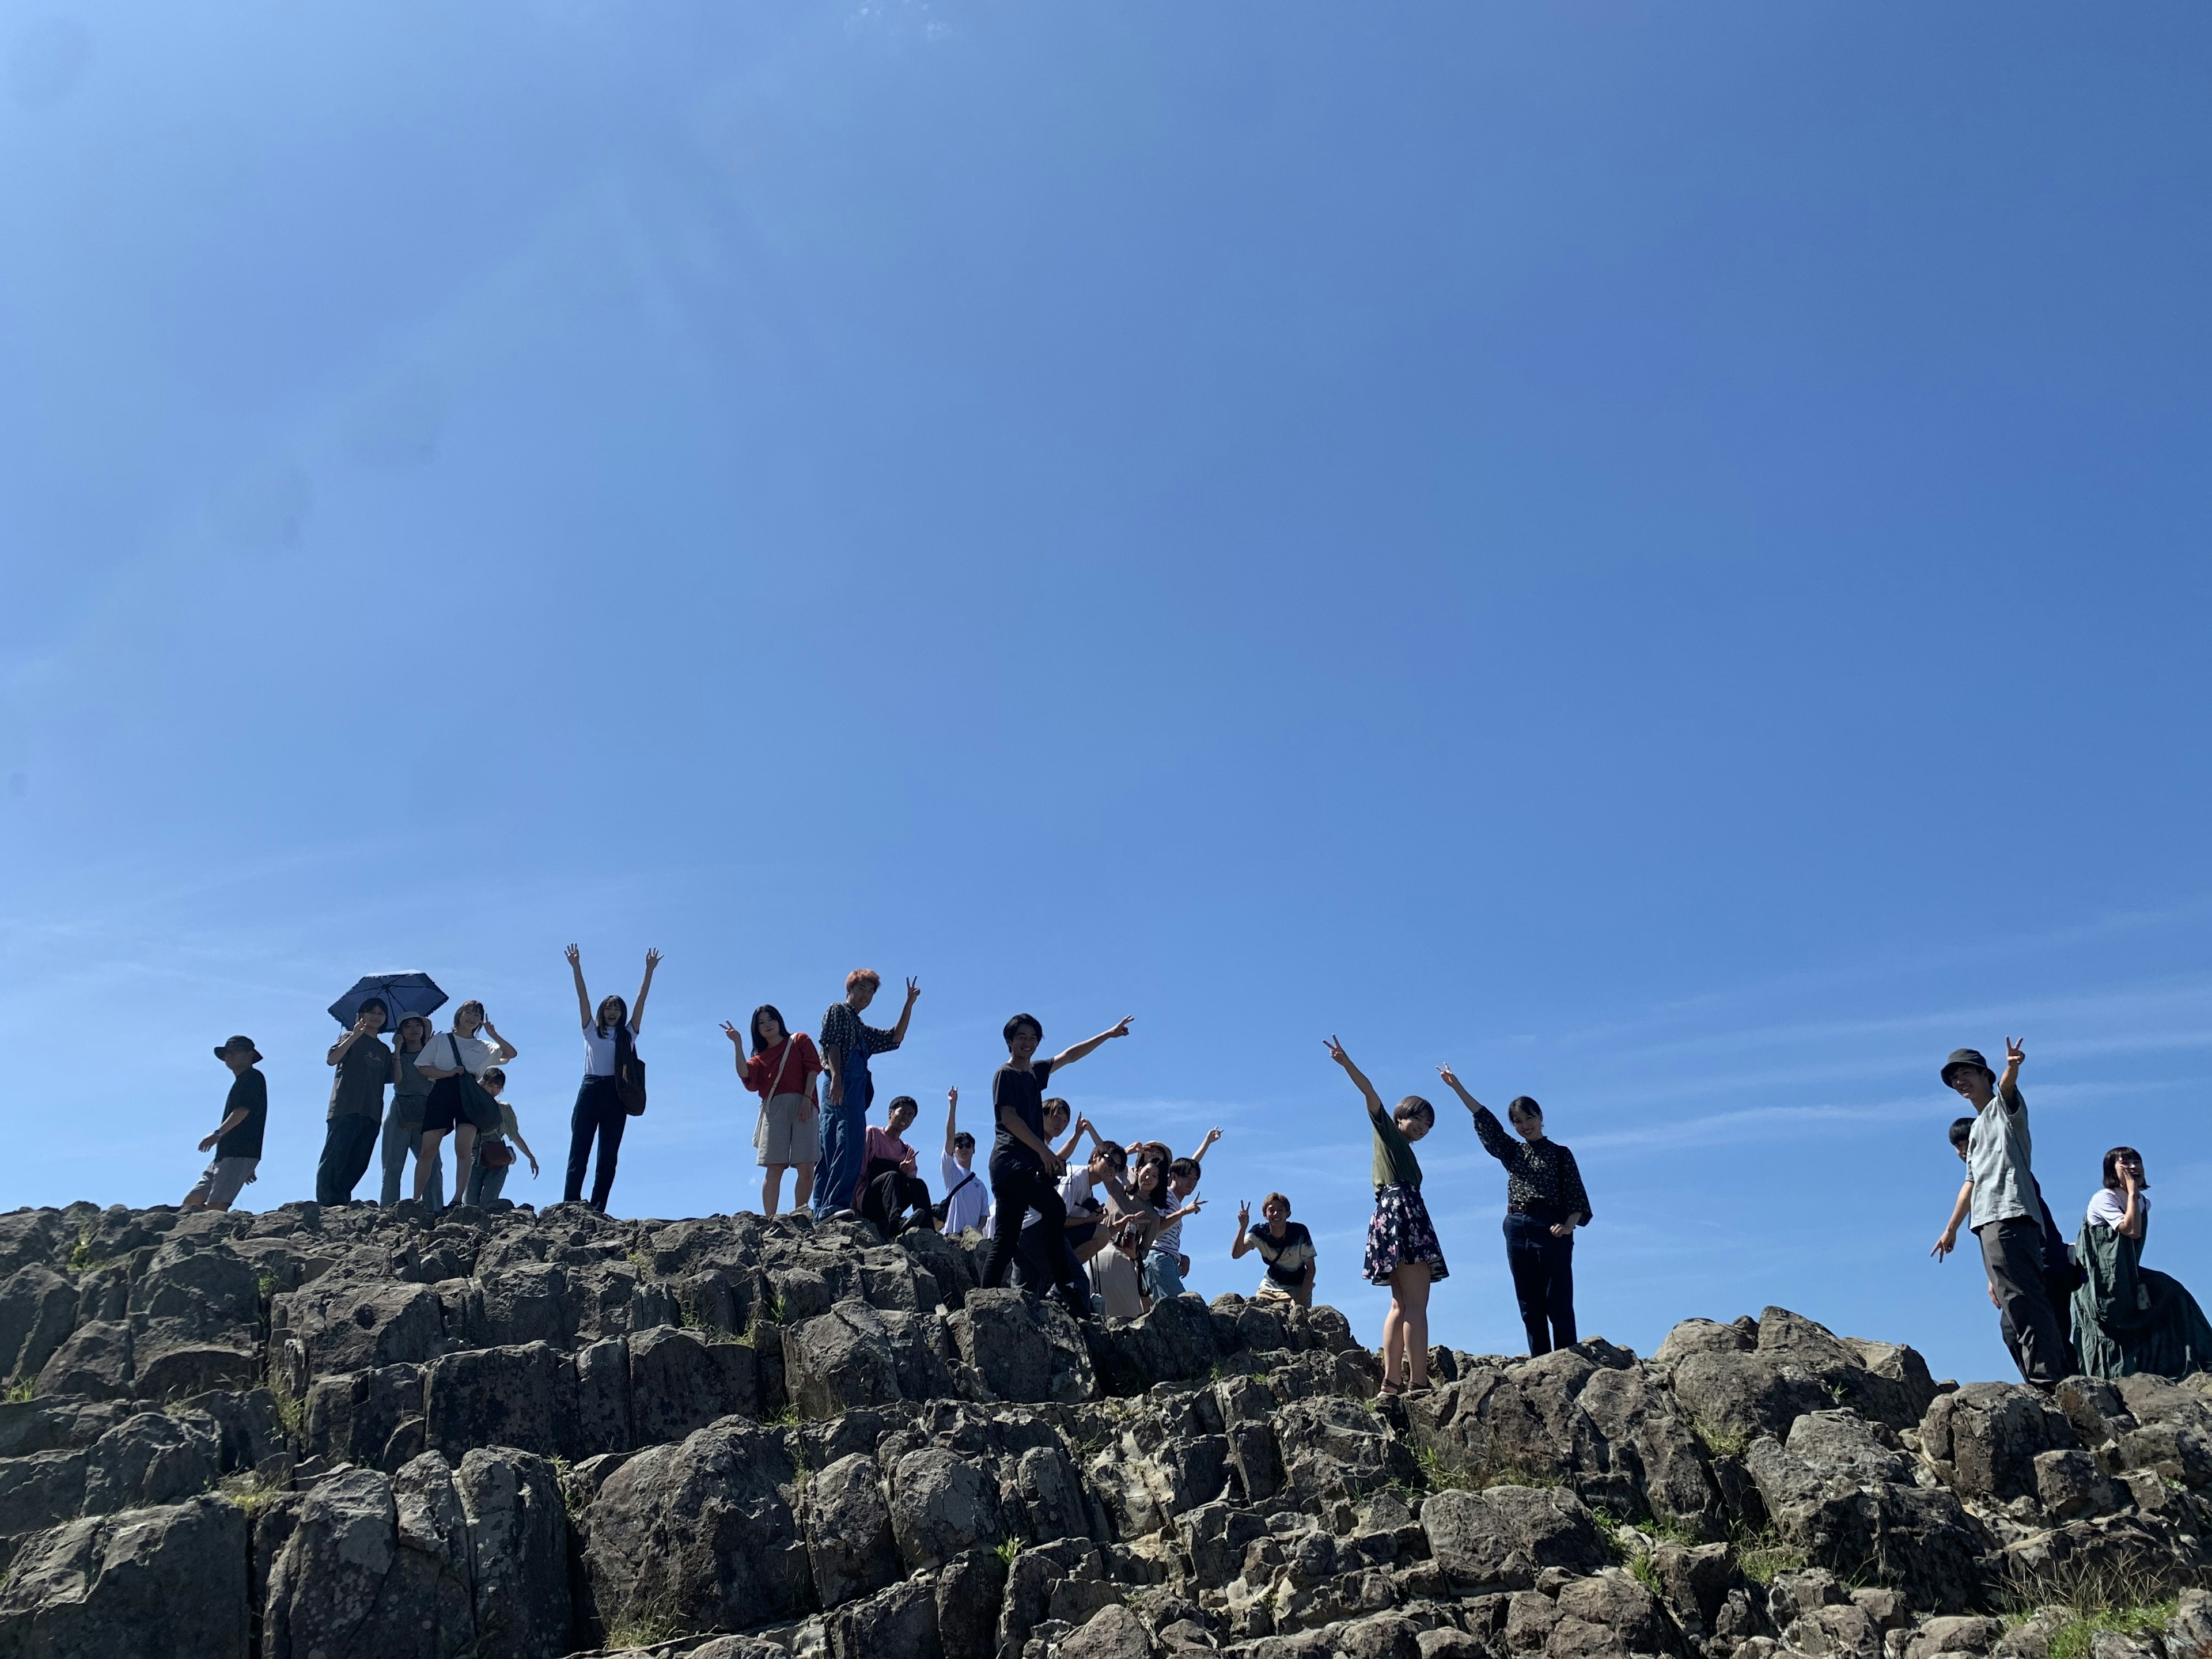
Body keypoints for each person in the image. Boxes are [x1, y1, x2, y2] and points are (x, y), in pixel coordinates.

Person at [1930, 1039, 2069, 1389]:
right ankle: (2041, 1380)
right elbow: (1971, 1183)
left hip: (2011, 1215)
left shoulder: (2004, 1111)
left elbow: (2008, 1087)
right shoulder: (1975, 1129)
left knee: (2025, 1301)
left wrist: (2013, 1065)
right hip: (1986, 1222)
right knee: (2011, 1308)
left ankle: (2050, 1380)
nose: (1960, 1081)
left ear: (1984, 1075)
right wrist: (1951, 1230)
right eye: (1954, 1078)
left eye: (1966, 1073)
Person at [980, 1011, 1135, 1319]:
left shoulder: (1034, 1073)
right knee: (1053, 1208)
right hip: (1010, 1163)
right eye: (1021, 1037)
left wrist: (1108, 1034)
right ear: (1009, 1041)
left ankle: (983, 1298)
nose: (1027, 1043)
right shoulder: (1006, 1074)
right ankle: (1064, 1283)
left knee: (1007, 1236)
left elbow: (1070, 1055)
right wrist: (1044, 1152)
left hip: (1021, 1165)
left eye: (1033, 1038)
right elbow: (1008, 1118)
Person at [1438, 1068, 1592, 1356]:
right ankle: (1541, 1362)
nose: (1524, 1126)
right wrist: (1457, 1086)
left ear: (1541, 1118)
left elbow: (1577, 1198)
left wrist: (1569, 1225)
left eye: (1529, 1118)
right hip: (1516, 1226)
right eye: (1518, 1122)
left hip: (1552, 1228)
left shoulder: (1561, 1154)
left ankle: (1568, 1359)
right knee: (1528, 1302)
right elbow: (1486, 1122)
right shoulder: (1513, 1152)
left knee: (1557, 1299)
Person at [1326, 1035, 1446, 1397]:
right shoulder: (1389, 1135)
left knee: (1399, 1303)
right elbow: (1371, 1093)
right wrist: (1347, 1063)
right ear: (1401, 1116)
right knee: (1416, 1305)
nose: (1423, 1128)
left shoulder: (1402, 1151)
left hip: (1387, 1217)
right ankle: (1418, 1382)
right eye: (1418, 1119)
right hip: (1405, 1214)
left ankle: (1391, 1383)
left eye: (1428, 1125)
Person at [2071, 1147, 2212, 1380]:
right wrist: (2132, 1192)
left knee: (2171, 1292)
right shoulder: (2103, 1199)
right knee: (2113, 1326)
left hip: (2129, 1273)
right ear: (2112, 1170)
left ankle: (2199, 1358)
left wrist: (2135, 1195)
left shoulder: (2143, 1203)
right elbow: (2131, 1230)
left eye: (2137, 1162)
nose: (2133, 1167)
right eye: (2125, 1163)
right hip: (2099, 1281)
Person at [562, 945, 658, 1212]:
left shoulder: (628, 1035)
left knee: (608, 1155)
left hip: (616, 1093)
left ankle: (598, 1207)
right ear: (602, 1011)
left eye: (617, 1008)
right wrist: (576, 968)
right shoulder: (591, 1031)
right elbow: (583, 998)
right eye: (608, 1007)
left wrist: (648, 972)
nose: (612, 1011)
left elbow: (641, 1002)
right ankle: (569, 1204)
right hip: (591, 1088)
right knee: (579, 1148)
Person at [817, 971, 919, 1214]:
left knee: (841, 1146)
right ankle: (831, 1206)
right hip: (840, 1084)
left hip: (853, 1091)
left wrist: (909, 1004)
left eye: (871, 991)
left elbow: (895, 1038)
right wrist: (837, 1079)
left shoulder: (861, 1027)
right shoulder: (838, 1011)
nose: (866, 995)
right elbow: (832, 1044)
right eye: (861, 988)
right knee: (843, 1146)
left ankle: (824, 1209)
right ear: (850, 990)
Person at [415, 1001, 518, 1209]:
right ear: (459, 1014)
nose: (472, 1017)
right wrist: (448, 1073)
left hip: (470, 1094)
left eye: (477, 1015)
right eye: (468, 1012)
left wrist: (493, 1034)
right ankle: (415, 1200)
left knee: (463, 1150)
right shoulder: (441, 1040)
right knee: (428, 1149)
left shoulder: (485, 1047)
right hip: (443, 1090)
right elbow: (423, 1067)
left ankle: (457, 1200)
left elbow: (511, 1054)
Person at [724, 1005, 821, 1218]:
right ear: (756, 1029)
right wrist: (737, 1043)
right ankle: (770, 1220)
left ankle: (800, 1216)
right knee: (774, 1167)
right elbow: (745, 1074)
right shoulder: (761, 1058)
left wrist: (807, 1098)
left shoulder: (799, 1040)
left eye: (771, 1020)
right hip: (774, 1107)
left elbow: (813, 1069)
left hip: (804, 1103)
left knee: (806, 1165)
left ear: (779, 1021)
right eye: (761, 1023)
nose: (767, 1025)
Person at [316, 998, 393, 1205]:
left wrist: (401, 1049)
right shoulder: (349, 1037)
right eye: (372, 1012)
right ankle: (326, 1204)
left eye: (381, 1013)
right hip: (345, 1107)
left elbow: (393, 1078)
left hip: (372, 1112)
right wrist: (354, 1036)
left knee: (358, 1162)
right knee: (335, 1157)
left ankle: (341, 1201)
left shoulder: (384, 1050)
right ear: (361, 1015)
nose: (377, 1016)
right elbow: (332, 1059)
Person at [184, 1036, 268, 1212]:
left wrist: (217, 1134)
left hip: (239, 1152)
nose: (228, 1057)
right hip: (227, 1154)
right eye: (226, 1054)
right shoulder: (243, 1080)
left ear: (249, 1054)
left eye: (233, 1052)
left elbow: (242, 1111)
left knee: (216, 1206)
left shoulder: (252, 1078)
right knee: (192, 1201)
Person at [1144, 1130, 1221, 1302]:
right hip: (1159, 1259)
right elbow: (1156, 1228)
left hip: (1168, 1261)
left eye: (1195, 1180)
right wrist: (1184, 1212)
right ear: (1173, 1176)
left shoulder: (1174, 1200)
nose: (1191, 1183)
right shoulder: (1163, 1195)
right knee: (1185, 1307)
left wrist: (1181, 1256)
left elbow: (1192, 1163)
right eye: (1187, 1178)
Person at [380, 1015, 444, 1207]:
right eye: (407, 1026)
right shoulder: (395, 1056)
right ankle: (389, 1210)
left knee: (433, 1165)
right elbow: (397, 1080)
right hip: (400, 1110)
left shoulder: (433, 1055)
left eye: (418, 1025)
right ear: (400, 1032)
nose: (414, 1029)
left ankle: (434, 1210)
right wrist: (397, 1050)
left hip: (428, 1111)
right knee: (392, 1164)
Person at [858, 1095, 937, 1237]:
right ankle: (895, 1222)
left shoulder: (907, 1151)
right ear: (890, 1113)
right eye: (903, 1112)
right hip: (868, 1201)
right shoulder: (873, 1134)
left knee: (918, 1184)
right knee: (892, 1175)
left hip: (889, 1204)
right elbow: (860, 1170)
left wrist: (905, 1174)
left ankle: (928, 1231)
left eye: (910, 1115)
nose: (906, 1118)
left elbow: (911, 1187)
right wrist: (853, 1204)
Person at [461, 1067, 540, 1207]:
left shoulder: (504, 1109)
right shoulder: (471, 1105)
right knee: (469, 1205)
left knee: (488, 1203)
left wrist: (531, 1157)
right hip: (474, 1156)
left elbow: (514, 1135)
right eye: (491, 1086)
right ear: (483, 1084)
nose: (494, 1090)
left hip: (497, 1158)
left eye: (498, 1087)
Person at [1232, 1193, 1317, 1306]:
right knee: (1256, 1311)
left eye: (1281, 1210)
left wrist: (1300, 1301)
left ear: (1288, 1214)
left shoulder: (1300, 1233)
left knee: (1295, 1318)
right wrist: (1243, 1227)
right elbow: (1237, 1254)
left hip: (1296, 1286)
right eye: (1271, 1210)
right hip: (1270, 1286)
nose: (1276, 1214)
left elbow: (1311, 1269)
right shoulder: (1259, 1233)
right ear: (1265, 1214)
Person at [938, 1087, 989, 1235]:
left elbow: (984, 1214)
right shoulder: (951, 1171)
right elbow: (949, 1137)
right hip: (952, 1234)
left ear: (974, 1150)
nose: (964, 1148)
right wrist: (952, 1106)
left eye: (968, 1145)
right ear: (954, 1151)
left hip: (972, 1238)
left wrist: (978, 1230)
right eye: (959, 1146)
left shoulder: (980, 1185)